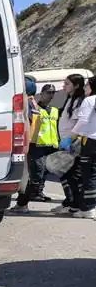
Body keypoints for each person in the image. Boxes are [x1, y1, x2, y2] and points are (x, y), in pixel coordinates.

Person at [9, 81, 59, 213]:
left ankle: (25, 201)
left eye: (53, 93)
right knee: (33, 175)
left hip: (46, 145)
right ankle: (22, 202)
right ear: (40, 93)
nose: (51, 95)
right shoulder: (34, 106)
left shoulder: (46, 108)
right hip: (35, 145)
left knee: (35, 175)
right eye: (49, 92)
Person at [52, 73, 87, 214]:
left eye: (67, 84)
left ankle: (75, 205)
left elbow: (80, 123)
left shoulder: (80, 101)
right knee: (65, 175)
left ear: (76, 85)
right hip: (65, 141)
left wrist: (71, 140)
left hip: (72, 143)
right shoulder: (70, 99)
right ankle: (69, 202)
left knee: (73, 175)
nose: (64, 86)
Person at [67, 76, 96, 219]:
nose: (85, 88)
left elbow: (83, 121)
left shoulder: (90, 100)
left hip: (90, 142)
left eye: (87, 86)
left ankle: (88, 208)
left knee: (89, 175)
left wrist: (71, 137)